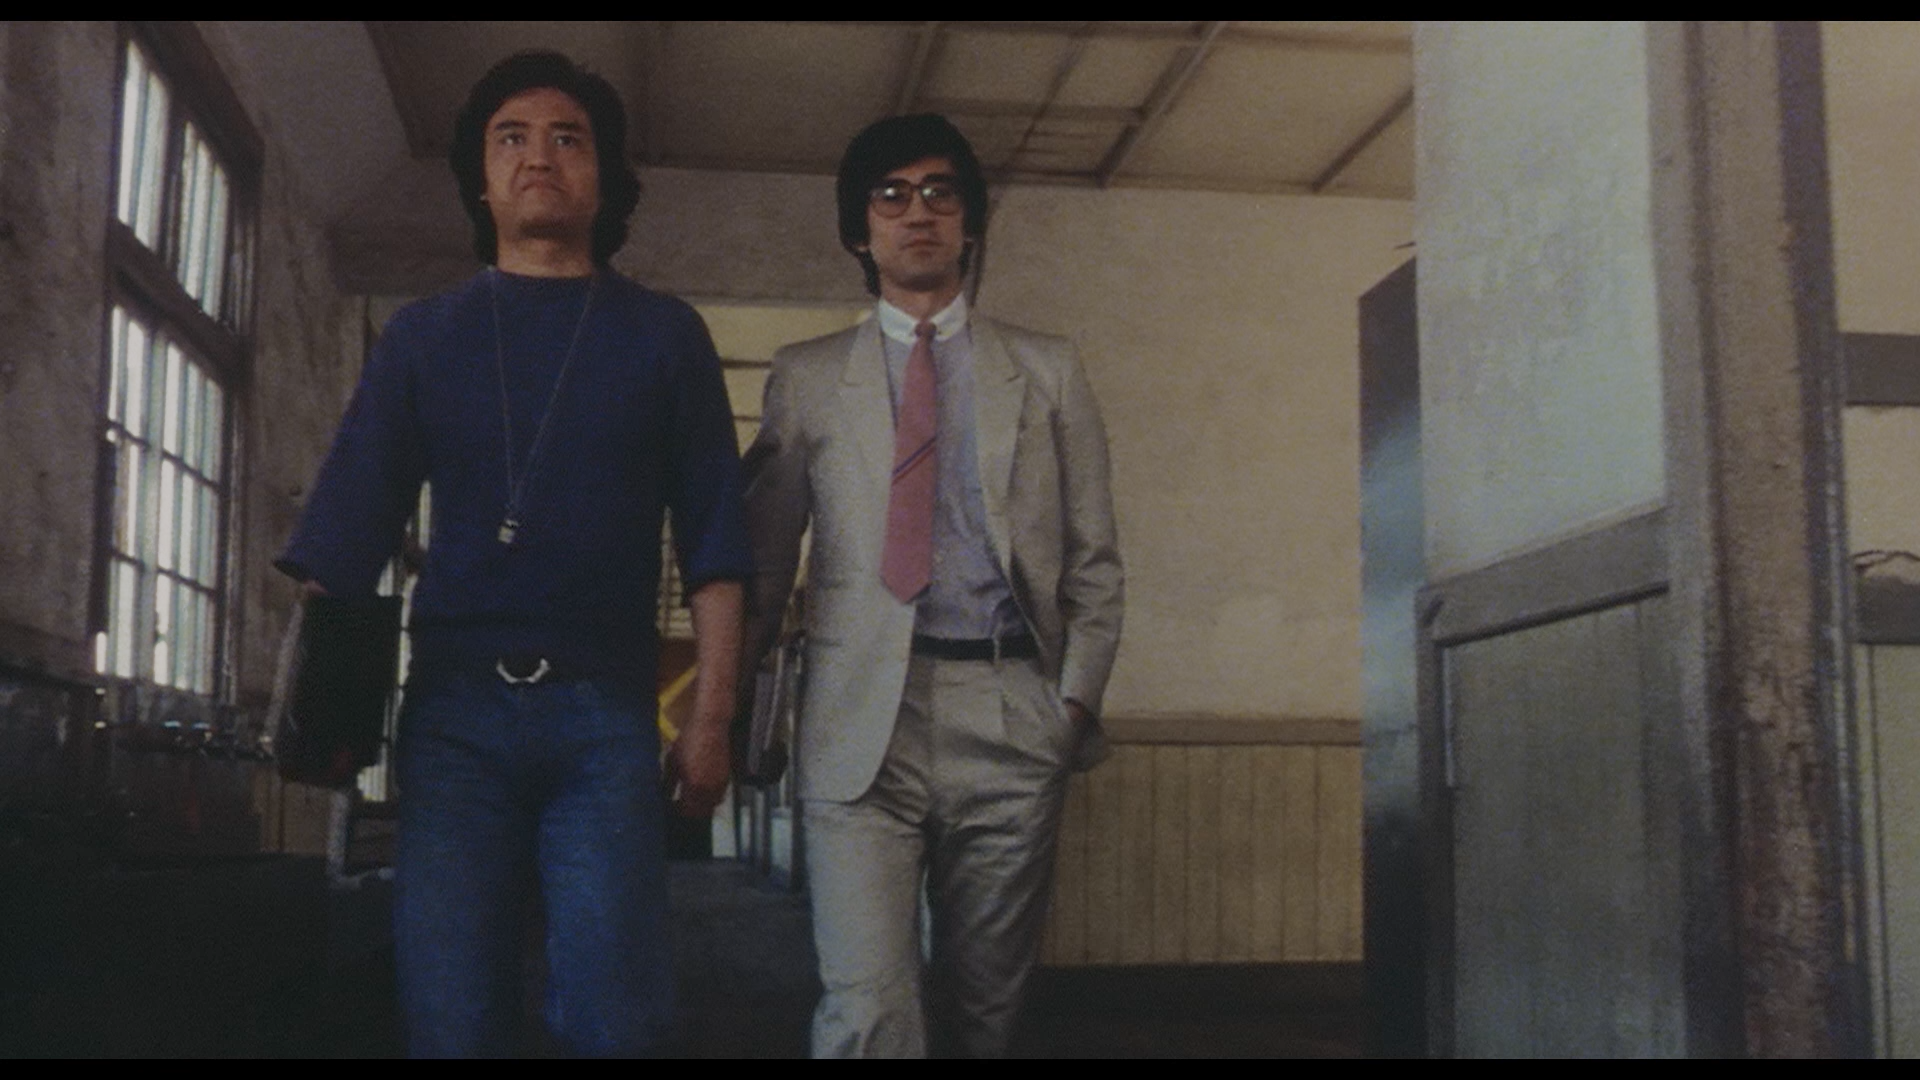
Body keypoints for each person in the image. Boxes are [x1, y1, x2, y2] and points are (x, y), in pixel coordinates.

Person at [277, 50, 749, 1057]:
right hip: (452, 719)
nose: (540, 156)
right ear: (482, 180)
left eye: (568, 139)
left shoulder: (665, 336)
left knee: (617, 1017)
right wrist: (321, 718)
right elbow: (346, 536)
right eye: (512, 138)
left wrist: (710, 722)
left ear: (604, 179)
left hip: (606, 720)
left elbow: (716, 544)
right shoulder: (424, 337)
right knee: (450, 1014)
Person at [740, 113, 1124, 1057]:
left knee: (988, 1014)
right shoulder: (806, 378)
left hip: (1011, 708)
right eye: (892, 195)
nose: (918, 212)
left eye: (941, 193)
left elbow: (1094, 562)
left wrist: (1069, 706)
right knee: (870, 1008)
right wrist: (728, 715)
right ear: (858, 231)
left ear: (969, 223)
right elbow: (764, 564)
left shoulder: (1046, 370)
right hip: (857, 716)